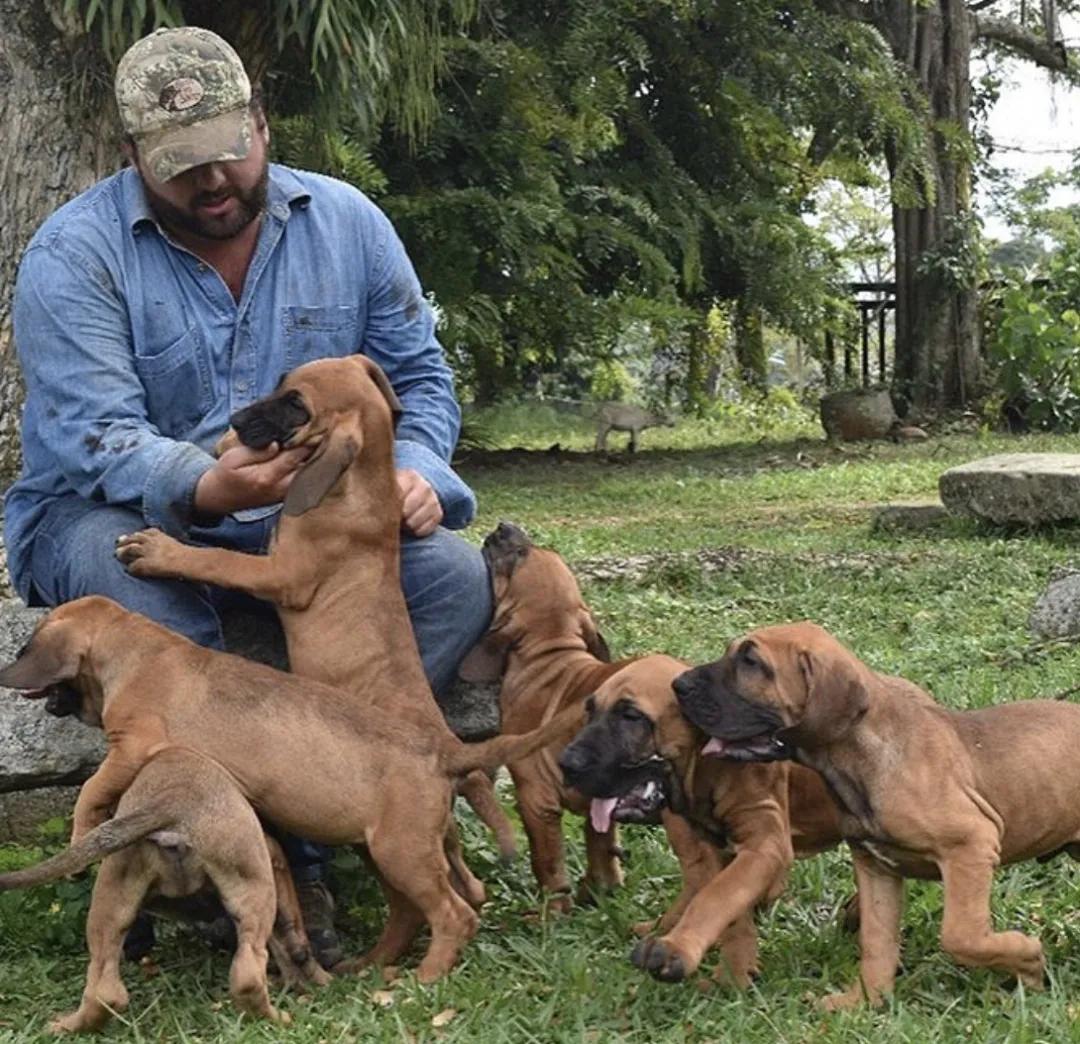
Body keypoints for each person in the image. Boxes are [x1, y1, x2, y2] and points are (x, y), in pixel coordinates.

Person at [3, 26, 493, 968]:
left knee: (451, 581)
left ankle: (332, 800)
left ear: (262, 124)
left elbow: (421, 381)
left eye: (228, 151)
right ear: (133, 156)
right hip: (107, 511)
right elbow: (94, 434)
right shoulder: (74, 254)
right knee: (143, 591)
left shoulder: (348, 223)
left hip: (305, 522)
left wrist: (416, 472)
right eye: (181, 166)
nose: (213, 181)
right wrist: (205, 486)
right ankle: (254, 855)